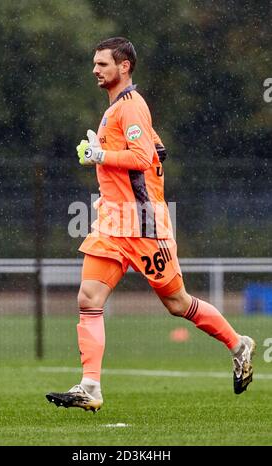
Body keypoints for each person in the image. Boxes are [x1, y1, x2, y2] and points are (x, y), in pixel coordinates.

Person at [46, 37, 255, 412]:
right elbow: (156, 152)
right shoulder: (114, 111)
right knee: (88, 299)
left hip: (143, 223)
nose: (95, 69)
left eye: (103, 64)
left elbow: (143, 157)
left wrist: (100, 154)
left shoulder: (131, 106)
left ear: (124, 67)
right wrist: (105, 156)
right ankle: (90, 387)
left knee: (177, 303)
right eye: (94, 63)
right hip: (112, 221)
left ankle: (239, 344)